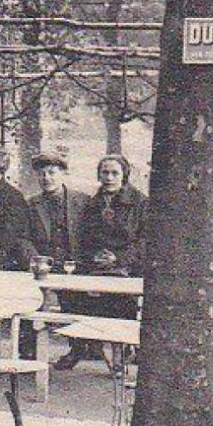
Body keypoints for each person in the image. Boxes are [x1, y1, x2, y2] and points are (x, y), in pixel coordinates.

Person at [54, 153, 148, 372]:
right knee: (70, 291)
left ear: (124, 175)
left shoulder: (139, 203)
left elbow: (145, 240)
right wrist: (92, 255)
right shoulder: (93, 203)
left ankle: (121, 351)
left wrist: (119, 258)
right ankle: (79, 345)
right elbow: (84, 237)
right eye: (105, 172)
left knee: (117, 296)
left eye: (114, 173)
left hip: (127, 265)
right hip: (94, 264)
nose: (109, 177)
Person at [23, 147, 91, 361]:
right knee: (30, 299)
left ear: (63, 173)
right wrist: (35, 260)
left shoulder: (82, 201)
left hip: (76, 266)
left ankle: (79, 348)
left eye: (52, 172)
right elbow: (23, 237)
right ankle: (28, 348)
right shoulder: (31, 204)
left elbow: (93, 234)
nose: (46, 178)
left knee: (77, 302)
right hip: (44, 266)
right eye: (42, 173)